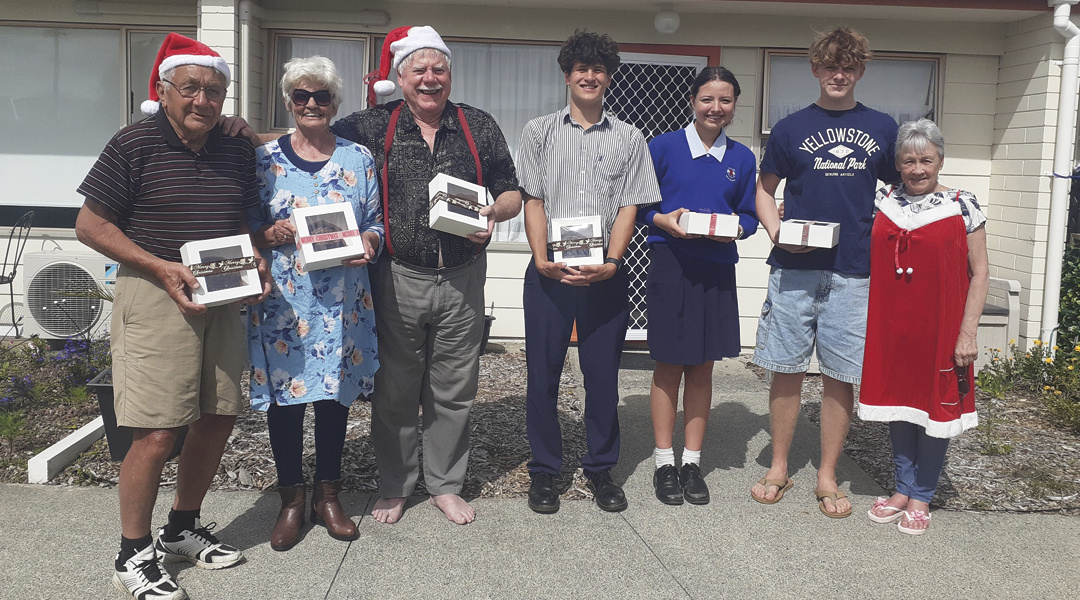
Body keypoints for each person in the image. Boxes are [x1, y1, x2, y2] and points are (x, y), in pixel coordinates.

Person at [75, 33, 270, 600]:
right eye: (191, 89)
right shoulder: (132, 144)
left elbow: (246, 212)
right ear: (164, 90)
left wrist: (256, 253)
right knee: (158, 431)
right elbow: (89, 225)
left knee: (215, 417)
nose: (202, 101)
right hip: (157, 294)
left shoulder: (235, 147)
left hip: (222, 294)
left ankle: (181, 528)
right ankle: (132, 553)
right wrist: (160, 267)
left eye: (214, 91)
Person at [331, 25, 520, 525]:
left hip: (463, 276)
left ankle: (445, 484)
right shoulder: (373, 125)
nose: (430, 79)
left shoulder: (478, 125)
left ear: (450, 75)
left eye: (439, 69)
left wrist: (495, 213)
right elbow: (313, 139)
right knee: (395, 389)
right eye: (420, 70)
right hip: (397, 276)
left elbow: (509, 189)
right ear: (401, 76)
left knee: (454, 390)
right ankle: (394, 485)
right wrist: (244, 133)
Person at [751, 27, 899, 518]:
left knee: (839, 377)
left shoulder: (881, 127)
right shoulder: (791, 128)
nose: (839, 75)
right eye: (831, 66)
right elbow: (764, 190)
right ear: (815, 69)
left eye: (849, 67)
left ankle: (827, 474)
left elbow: (902, 194)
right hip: (794, 269)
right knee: (786, 370)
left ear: (860, 71)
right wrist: (777, 232)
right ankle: (777, 466)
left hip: (854, 272)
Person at [518, 30, 663, 514]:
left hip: (606, 275)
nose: (589, 75)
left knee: (601, 377)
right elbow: (533, 200)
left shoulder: (629, 136)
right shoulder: (539, 131)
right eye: (581, 68)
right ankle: (544, 470)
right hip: (548, 273)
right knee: (543, 376)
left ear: (608, 77)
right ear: (567, 75)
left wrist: (613, 262)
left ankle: (601, 467)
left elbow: (629, 206)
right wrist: (541, 259)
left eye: (598, 69)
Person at [245, 56, 383, 551]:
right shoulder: (265, 160)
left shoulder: (358, 158)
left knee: (332, 397)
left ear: (334, 103)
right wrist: (268, 231)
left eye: (320, 96)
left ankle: (328, 495)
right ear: (288, 101)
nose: (310, 104)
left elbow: (375, 222)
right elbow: (246, 226)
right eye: (301, 96)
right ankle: (290, 500)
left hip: (342, 302)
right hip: (284, 303)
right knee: (286, 400)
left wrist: (369, 240)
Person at [858, 119, 988, 535]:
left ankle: (922, 495)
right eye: (909, 161)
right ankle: (902, 489)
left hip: (942, 329)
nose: (917, 169)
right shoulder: (882, 200)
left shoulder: (962, 204)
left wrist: (967, 332)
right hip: (893, 327)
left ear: (940, 161)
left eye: (926, 160)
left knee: (936, 408)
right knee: (900, 405)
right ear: (897, 163)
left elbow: (980, 272)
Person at [642, 67, 758, 506]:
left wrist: (738, 230)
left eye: (725, 100)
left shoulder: (742, 158)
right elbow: (639, 205)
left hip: (716, 268)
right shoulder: (664, 147)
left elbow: (749, 214)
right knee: (669, 364)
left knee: (703, 367)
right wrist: (662, 220)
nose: (716, 108)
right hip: (671, 263)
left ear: (734, 105)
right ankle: (662, 462)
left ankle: (692, 461)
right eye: (708, 99)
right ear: (692, 101)